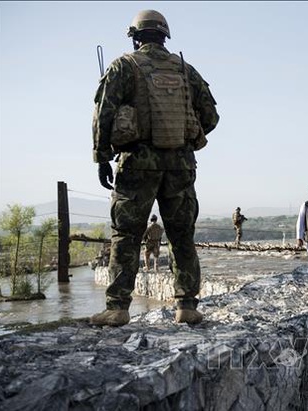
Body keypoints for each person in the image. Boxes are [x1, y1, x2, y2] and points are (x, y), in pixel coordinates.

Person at [90, 10, 220, 326]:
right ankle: (186, 305)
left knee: (126, 235)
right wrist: (184, 137)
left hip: (136, 163)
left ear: (136, 38)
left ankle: (118, 308)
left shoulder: (124, 66)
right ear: (164, 37)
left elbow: (103, 115)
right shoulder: (186, 70)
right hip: (180, 166)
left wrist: (102, 156)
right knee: (181, 236)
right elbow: (212, 117)